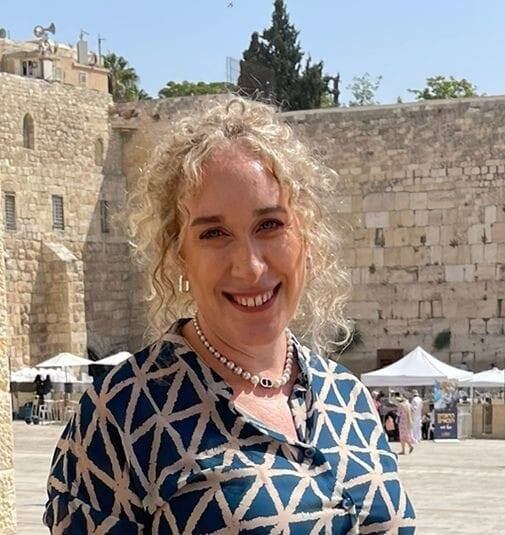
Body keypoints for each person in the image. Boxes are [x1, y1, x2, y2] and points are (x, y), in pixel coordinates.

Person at [44, 98, 416, 533]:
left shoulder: (348, 397)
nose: (250, 267)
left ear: (306, 234)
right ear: (179, 254)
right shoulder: (121, 415)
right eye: (214, 233)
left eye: (270, 225)